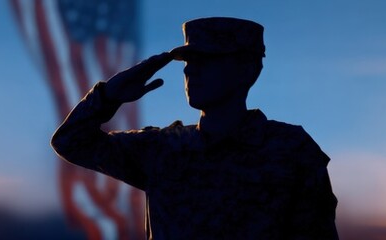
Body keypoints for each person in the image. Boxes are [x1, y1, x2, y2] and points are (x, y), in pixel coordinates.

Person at [50, 17, 338, 239]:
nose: (189, 70)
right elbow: (71, 141)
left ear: (248, 70)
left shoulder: (290, 150)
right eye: (188, 61)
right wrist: (108, 96)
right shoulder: (163, 148)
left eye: (207, 60)